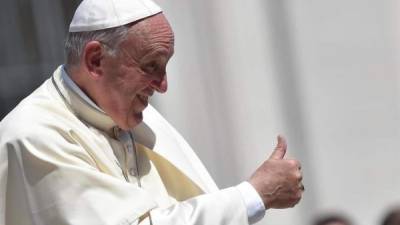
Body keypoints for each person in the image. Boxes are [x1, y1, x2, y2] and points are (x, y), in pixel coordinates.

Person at [0, 0, 304, 224]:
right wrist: (253, 195)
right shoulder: (34, 136)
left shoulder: (133, 115)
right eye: (150, 66)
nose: (163, 85)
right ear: (95, 60)